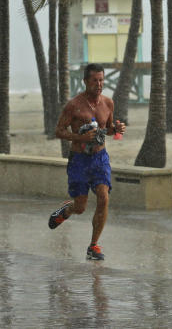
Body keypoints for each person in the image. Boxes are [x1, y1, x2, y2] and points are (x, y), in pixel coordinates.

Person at [46, 63, 125, 261]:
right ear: (85, 81)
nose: (99, 84)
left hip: (100, 157)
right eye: (94, 80)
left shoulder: (108, 103)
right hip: (79, 160)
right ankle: (68, 209)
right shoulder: (74, 105)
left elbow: (106, 128)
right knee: (81, 207)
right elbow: (58, 131)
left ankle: (93, 245)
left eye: (101, 80)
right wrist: (81, 138)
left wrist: (115, 129)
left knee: (103, 197)